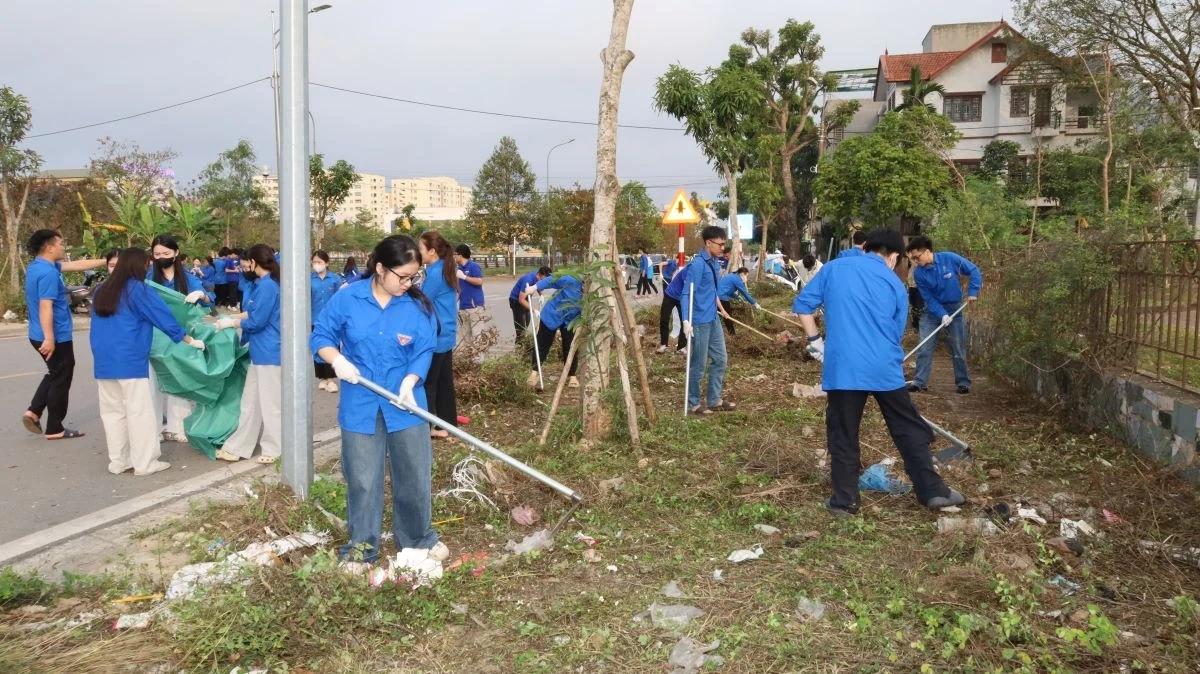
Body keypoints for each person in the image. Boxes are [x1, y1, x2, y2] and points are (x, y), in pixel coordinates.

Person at [793, 229, 964, 517]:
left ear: (866, 248)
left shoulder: (833, 269)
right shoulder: (894, 282)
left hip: (844, 368)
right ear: (894, 256)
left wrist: (815, 342)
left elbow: (803, 306)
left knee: (843, 432)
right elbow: (896, 332)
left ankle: (845, 501)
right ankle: (933, 491)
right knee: (907, 427)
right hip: (884, 368)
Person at [310, 235, 446, 564]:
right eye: (403, 277)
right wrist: (336, 360)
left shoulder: (417, 306)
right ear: (381, 268)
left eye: (414, 276)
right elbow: (321, 335)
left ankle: (417, 540)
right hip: (360, 403)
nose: (409, 284)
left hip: (406, 403)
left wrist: (411, 380)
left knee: (413, 475)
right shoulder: (348, 298)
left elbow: (424, 349)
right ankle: (361, 549)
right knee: (362, 479)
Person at [91, 247, 206, 476]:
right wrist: (189, 340)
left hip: (104, 361)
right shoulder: (138, 289)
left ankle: (119, 462)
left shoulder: (101, 289)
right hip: (130, 360)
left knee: (113, 414)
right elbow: (163, 317)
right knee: (139, 413)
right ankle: (145, 463)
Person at [21, 230, 107, 439]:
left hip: (39, 333)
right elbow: (46, 306)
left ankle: (34, 411)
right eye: (60, 243)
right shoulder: (48, 273)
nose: (63, 246)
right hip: (54, 335)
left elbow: (76, 265)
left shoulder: (39, 266)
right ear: (49, 247)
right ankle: (54, 428)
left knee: (56, 372)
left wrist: (106, 261)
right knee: (61, 377)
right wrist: (50, 338)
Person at [213, 244, 282, 464]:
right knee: (250, 403)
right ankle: (238, 446)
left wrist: (232, 323)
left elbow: (257, 321)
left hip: (270, 353)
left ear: (254, 262)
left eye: (246, 264)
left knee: (271, 404)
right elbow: (251, 313)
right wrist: (229, 319)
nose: (244, 268)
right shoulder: (262, 284)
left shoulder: (268, 286)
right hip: (260, 352)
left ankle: (275, 449)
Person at [148, 234, 213, 444]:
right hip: (155, 337)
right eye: (157, 254)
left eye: (166, 253)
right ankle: (154, 429)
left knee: (179, 381)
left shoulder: (187, 278)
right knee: (154, 385)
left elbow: (208, 300)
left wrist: (201, 295)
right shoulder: (148, 278)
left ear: (176, 253)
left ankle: (179, 427)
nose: (161, 257)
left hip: (181, 336)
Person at [905, 235, 982, 395]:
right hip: (932, 311)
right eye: (913, 259)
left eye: (917, 257)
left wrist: (973, 292)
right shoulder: (919, 274)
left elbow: (974, 271)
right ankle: (920, 382)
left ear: (927, 251)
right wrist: (942, 314)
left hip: (955, 309)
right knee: (925, 347)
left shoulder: (950, 259)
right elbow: (928, 298)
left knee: (957, 347)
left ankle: (963, 382)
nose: (916, 261)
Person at [680, 226, 735, 416]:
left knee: (720, 359)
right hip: (699, 321)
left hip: (713, 318)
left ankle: (714, 400)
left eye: (724, 244)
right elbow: (686, 293)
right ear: (708, 243)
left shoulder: (714, 263)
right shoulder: (697, 265)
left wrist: (721, 310)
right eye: (720, 244)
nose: (722, 248)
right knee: (698, 363)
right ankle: (693, 403)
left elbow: (712, 292)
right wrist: (685, 320)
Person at [418, 231, 460, 439]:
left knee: (429, 383)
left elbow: (422, 301)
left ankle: (426, 427)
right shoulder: (443, 268)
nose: (418, 252)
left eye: (420, 249)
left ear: (432, 251)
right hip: (446, 333)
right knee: (444, 381)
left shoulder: (435, 273)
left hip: (437, 336)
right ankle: (447, 424)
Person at [524, 271, 583, 390]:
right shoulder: (572, 280)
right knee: (542, 344)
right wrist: (535, 287)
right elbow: (552, 279)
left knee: (570, 346)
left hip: (570, 320)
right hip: (552, 314)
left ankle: (572, 375)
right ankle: (534, 373)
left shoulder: (594, 293)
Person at [310, 250, 342, 393]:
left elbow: (340, 299)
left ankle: (330, 378)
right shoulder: (309, 279)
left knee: (331, 346)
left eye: (320, 262)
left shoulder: (335, 279)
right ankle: (322, 378)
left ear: (327, 263)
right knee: (318, 347)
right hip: (314, 318)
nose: (317, 264)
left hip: (332, 320)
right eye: (314, 262)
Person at [509, 266, 551, 345]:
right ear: (541, 275)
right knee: (521, 328)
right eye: (545, 278)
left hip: (526, 300)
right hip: (516, 302)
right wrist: (534, 310)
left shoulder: (538, 276)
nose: (546, 281)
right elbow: (521, 300)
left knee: (527, 323)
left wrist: (541, 295)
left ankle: (522, 343)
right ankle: (519, 347)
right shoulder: (528, 280)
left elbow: (538, 286)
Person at [453, 244, 485, 347]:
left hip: (474, 307)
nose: (454, 256)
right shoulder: (459, 268)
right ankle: (468, 357)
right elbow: (458, 288)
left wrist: (464, 277)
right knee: (464, 337)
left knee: (477, 336)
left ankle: (478, 357)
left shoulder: (473, 266)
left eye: (455, 254)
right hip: (462, 307)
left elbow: (479, 281)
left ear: (460, 255)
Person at [657, 265, 688, 354]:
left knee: (685, 321)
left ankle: (681, 347)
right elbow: (688, 286)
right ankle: (664, 344)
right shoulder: (688, 270)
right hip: (670, 294)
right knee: (664, 319)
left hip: (682, 299)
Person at [717, 266, 758, 334]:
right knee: (727, 316)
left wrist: (737, 297)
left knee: (719, 315)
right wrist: (754, 303)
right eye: (746, 276)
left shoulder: (732, 276)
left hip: (717, 296)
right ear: (742, 273)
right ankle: (732, 334)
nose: (746, 278)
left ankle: (724, 332)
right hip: (721, 297)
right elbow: (745, 293)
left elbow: (728, 291)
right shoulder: (737, 280)